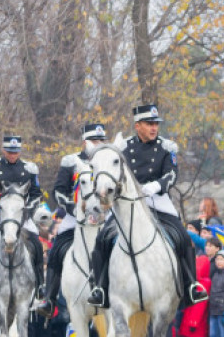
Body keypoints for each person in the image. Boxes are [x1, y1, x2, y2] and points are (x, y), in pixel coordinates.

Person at [87, 104, 208, 307]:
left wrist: (155, 186)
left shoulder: (167, 147)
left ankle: (190, 286)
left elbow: (172, 175)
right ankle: (100, 288)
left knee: (183, 238)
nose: (154, 128)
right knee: (101, 240)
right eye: (149, 124)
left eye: (156, 124)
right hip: (127, 204)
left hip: (157, 201)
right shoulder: (123, 148)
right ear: (137, 126)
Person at [38, 124, 108, 318]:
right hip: (75, 218)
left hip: (103, 217)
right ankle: (49, 299)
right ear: (85, 142)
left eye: (102, 141)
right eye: (95, 141)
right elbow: (58, 191)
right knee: (57, 250)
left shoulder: (109, 161)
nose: (99, 144)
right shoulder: (71, 161)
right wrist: (74, 208)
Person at [0, 136, 45, 301]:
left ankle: (40, 285)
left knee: (37, 244)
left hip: (21, 214)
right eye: (10, 152)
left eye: (16, 152)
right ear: (3, 150)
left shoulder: (29, 169)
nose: (13, 155)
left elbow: (35, 195)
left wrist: (27, 212)